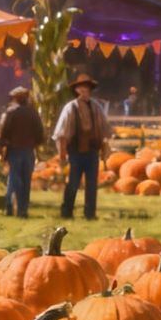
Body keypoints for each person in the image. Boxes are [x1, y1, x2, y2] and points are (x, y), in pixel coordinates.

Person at [54, 73, 109, 221]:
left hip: (92, 152)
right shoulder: (70, 108)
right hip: (75, 152)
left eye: (87, 88)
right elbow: (62, 134)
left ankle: (90, 213)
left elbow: (104, 131)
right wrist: (62, 155)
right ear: (76, 90)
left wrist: (104, 149)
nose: (84, 90)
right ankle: (67, 212)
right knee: (72, 184)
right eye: (81, 88)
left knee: (91, 185)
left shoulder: (96, 107)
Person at [0, 85, 44, 217]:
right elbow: (40, 133)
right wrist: (35, 143)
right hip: (28, 150)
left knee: (15, 179)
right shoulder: (33, 113)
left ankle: (10, 206)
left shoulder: (11, 113)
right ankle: (23, 209)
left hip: (15, 150)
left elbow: (4, 132)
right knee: (25, 180)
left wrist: (2, 147)